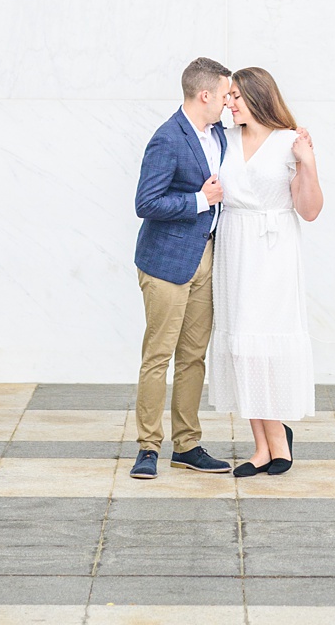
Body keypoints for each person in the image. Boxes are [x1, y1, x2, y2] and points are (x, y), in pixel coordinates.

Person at [209, 65, 322, 476]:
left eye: (236, 95)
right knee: (241, 343)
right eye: (228, 95)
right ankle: (264, 445)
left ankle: (276, 442)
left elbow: (309, 211)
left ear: (257, 96)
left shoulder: (290, 141)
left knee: (266, 343)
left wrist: (307, 164)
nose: (229, 102)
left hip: (273, 250)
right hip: (234, 244)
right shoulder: (224, 139)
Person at [129, 56, 238, 479]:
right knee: (158, 355)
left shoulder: (221, 137)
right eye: (226, 94)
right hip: (165, 263)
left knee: (193, 357)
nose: (230, 101)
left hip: (206, 256)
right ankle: (148, 447)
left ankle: (187, 445)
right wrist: (198, 199)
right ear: (204, 94)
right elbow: (146, 203)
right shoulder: (167, 138)